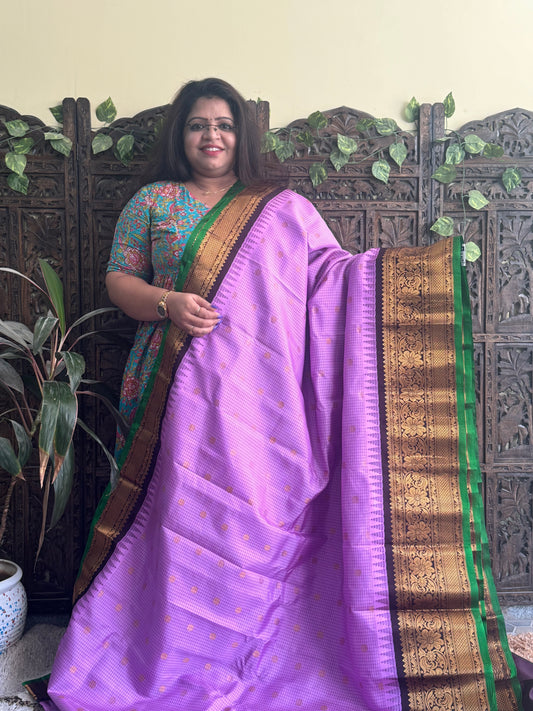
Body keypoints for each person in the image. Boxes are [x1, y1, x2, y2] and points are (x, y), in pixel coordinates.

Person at [29, 78, 523, 710]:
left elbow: (328, 279)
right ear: (181, 135)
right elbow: (118, 279)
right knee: (173, 521)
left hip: (258, 406)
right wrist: (167, 302)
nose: (212, 136)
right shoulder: (155, 200)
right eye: (199, 125)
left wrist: (402, 283)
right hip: (168, 387)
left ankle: (237, 642)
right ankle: (160, 644)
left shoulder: (279, 208)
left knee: (241, 522)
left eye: (224, 125)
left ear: (242, 136)